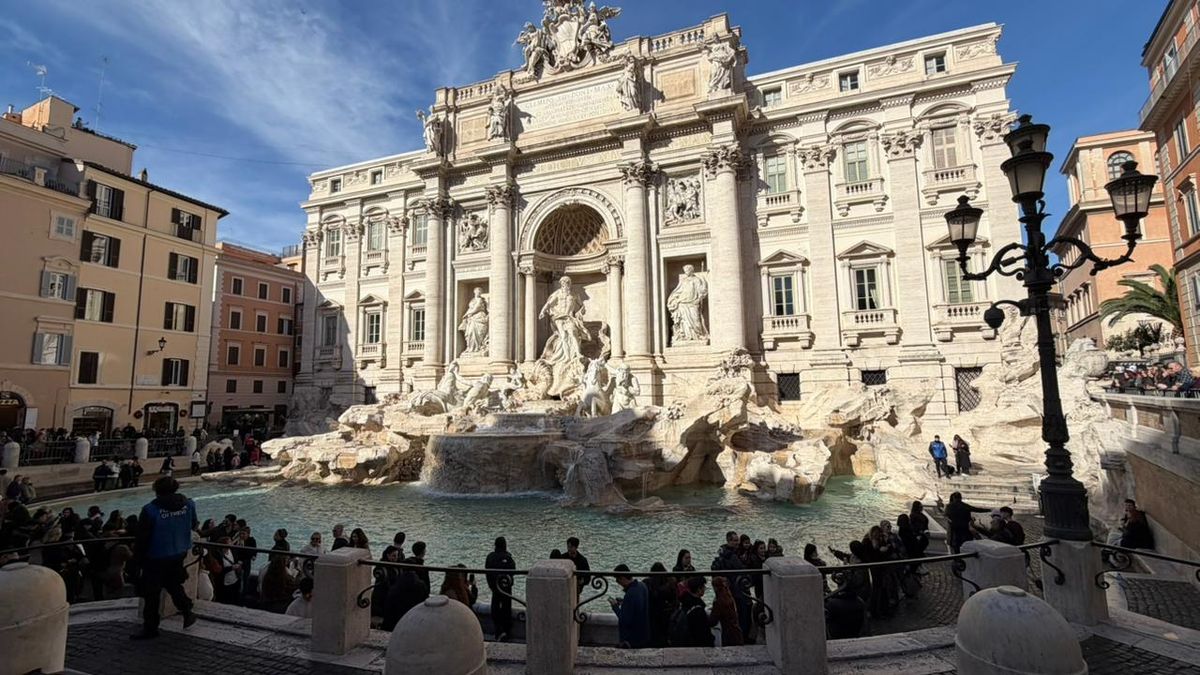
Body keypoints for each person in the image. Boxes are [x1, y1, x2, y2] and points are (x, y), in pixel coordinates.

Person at [131, 476, 197, 639]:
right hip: (179, 551)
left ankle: (151, 628)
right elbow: (194, 524)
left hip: (156, 556)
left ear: (157, 490)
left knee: (151, 594)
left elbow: (142, 538)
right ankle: (187, 610)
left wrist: (136, 561)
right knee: (174, 585)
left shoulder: (150, 510)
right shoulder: (189, 505)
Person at [609, 564, 650, 648]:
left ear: (623, 578)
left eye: (617, 580)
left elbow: (625, 620)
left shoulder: (630, 594)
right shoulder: (642, 586)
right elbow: (638, 606)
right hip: (644, 635)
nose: (617, 583)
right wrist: (624, 602)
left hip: (631, 640)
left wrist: (615, 606)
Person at [485, 536, 516, 641]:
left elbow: (487, 572)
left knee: (495, 608)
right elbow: (513, 570)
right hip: (506, 588)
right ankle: (507, 632)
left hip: (495, 588)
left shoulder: (490, 557)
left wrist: (491, 585)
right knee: (507, 609)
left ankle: (499, 631)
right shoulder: (508, 557)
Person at [670, 576, 713, 647]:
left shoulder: (684, 604)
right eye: (703, 587)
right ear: (699, 589)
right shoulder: (698, 610)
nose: (704, 589)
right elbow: (704, 634)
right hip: (696, 645)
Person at [644, 562, 677, 648]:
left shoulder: (647, 583)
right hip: (667, 614)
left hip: (653, 614)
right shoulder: (670, 583)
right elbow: (675, 600)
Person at [708, 576, 743, 646]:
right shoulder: (729, 597)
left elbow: (712, 621)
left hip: (728, 635)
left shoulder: (718, 602)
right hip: (737, 633)